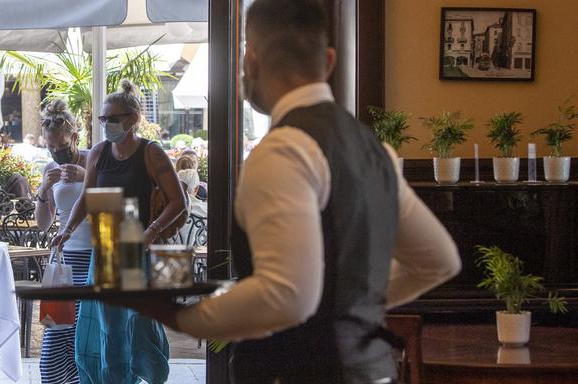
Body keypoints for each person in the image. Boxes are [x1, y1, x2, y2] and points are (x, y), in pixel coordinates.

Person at [120, 1, 462, 383]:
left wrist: (181, 316)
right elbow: (439, 260)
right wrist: (348, 305)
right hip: (376, 371)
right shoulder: (376, 151)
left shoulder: (283, 151)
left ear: (250, 60)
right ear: (329, 62)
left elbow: (288, 295)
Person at [53, 79, 187, 384]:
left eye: (113, 118)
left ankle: (136, 374)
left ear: (133, 119)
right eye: (104, 119)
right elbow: (86, 198)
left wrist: (151, 231)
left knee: (128, 325)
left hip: (132, 246)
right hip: (104, 243)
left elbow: (178, 201)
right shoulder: (99, 152)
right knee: (100, 327)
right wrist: (68, 229)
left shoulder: (150, 153)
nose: (107, 124)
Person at [34, 99, 91, 384]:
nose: (57, 152)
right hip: (65, 261)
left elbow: (116, 201)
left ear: (75, 136)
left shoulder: (93, 159)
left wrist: (87, 177)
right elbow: (43, 223)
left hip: (95, 259)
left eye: (62, 146)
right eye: (51, 147)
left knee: (85, 336)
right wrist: (44, 190)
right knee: (56, 335)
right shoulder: (49, 169)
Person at [176, 169, 207, 242]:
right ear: (196, 189)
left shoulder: (170, 211)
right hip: (201, 252)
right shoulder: (206, 211)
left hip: (172, 251)